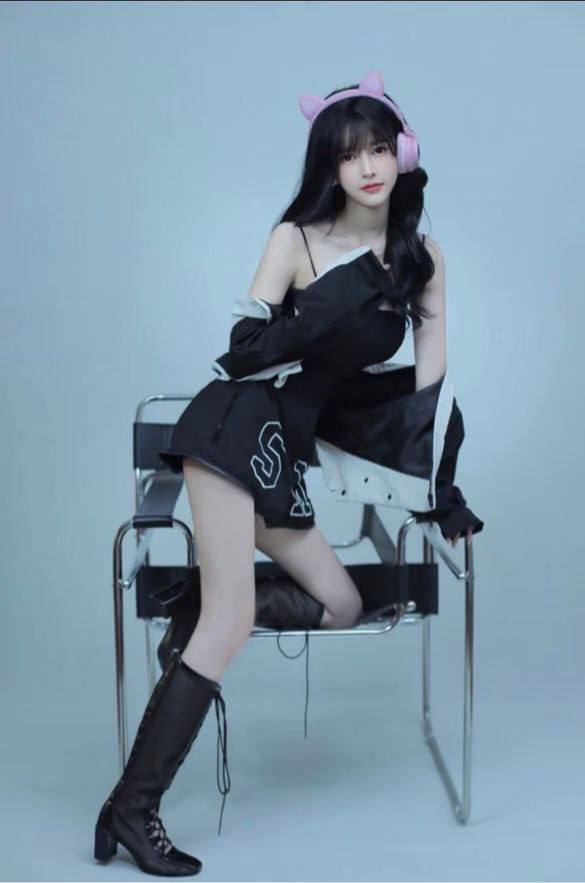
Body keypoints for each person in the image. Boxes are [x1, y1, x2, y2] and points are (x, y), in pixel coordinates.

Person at [93, 69, 481, 877]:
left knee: (341, 604)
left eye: (380, 148)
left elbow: (426, 389)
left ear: (403, 153)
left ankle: (193, 606)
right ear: (328, 167)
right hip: (235, 426)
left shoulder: (421, 258)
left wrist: (436, 489)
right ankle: (133, 807)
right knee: (234, 618)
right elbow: (243, 352)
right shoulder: (294, 240)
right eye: (348, 154)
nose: (367, 166)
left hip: (285, 453)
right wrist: (336, 297)